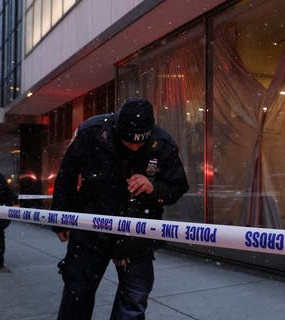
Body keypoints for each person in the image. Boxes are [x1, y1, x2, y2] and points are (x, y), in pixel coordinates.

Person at [52, 97, 189, 320]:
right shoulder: (92, 132)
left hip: (137, 233)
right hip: (91, 229)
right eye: (129, 141)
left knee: (133, 301)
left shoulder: (163, 144)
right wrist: (60, 219)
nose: (134, 146)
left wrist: (153, 187)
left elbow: (178, 186)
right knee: (77, 294)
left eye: (140, 143)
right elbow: (66, 175)